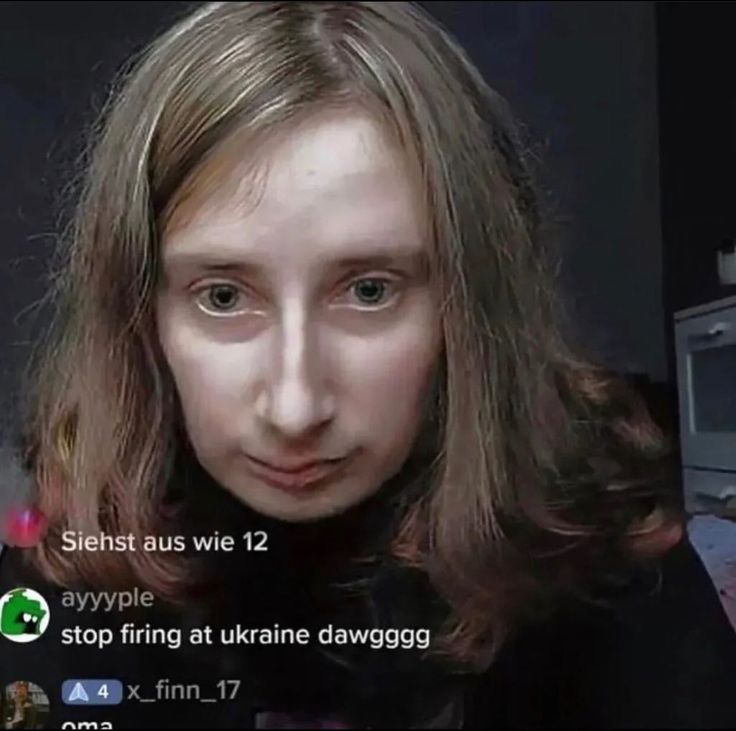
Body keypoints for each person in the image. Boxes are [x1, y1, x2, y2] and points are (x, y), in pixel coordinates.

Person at [1, 2, 735, 728]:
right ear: (140, 312)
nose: (295, 406)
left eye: (370, 290)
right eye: (222, 295)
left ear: (468, 303)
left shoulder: (612, 562)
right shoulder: (71, 574)